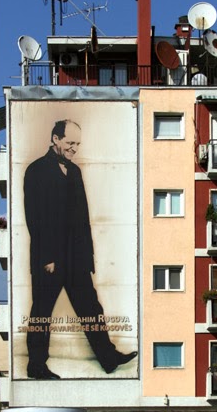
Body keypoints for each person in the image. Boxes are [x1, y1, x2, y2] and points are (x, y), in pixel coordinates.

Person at [23, 119, 138, 380]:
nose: (74, 148)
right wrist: (48, 257)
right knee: (41, 314)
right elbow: (35, 219)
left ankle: (109, 358)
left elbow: (82, 218)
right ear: (56, 139)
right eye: (70, 142)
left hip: (75, 258)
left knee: (91, 309)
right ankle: (36, 366)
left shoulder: (74, 171)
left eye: (78, 144)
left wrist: (87, 257)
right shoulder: (36, 170)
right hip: (49, 259)